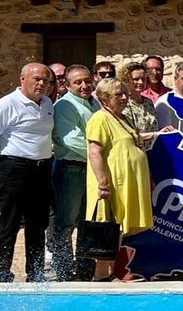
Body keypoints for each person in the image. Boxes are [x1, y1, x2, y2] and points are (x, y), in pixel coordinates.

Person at [86, 77, 156, 282]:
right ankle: (101, 275)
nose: (125, 98)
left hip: (127, 183)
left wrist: (158, 134)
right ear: (104, 99)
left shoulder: (121, 117)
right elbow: (95, 152)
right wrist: (103, 183)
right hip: (112, 184)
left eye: (125, 93)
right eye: (119, 94)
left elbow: (133, 139)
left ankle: (115, 270)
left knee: (119, 229)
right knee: (107, 227)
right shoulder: (100, 118)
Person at [0, 63, 55, 282]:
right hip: (14, 168)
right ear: (23, 79)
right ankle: (2, 271)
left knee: (38, 223)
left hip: (41, 169)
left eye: (46, 80)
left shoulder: (48, 103)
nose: (42, 84)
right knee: (9, 222)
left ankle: (35, 272)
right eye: (37, 79)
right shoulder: (7, 104)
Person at [50, 64, 98, 280]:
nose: (84, 85)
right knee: (66, 222)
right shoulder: (65, 106)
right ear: (67, 85)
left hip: (92, 169)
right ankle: (63, 270)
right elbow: (72, 141)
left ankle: (86, 269)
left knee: (88, 221)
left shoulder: (95, 103)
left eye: (87, 81)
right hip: (72, 168)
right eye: (78, 82)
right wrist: (103, 152)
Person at [116, 61, 158, 136]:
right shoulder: (124, 104)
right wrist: (155, 134)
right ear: (127, 80)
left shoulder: (148, 102)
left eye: (143, 78)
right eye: (136, 79)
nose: (141, 82)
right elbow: (129, 134)